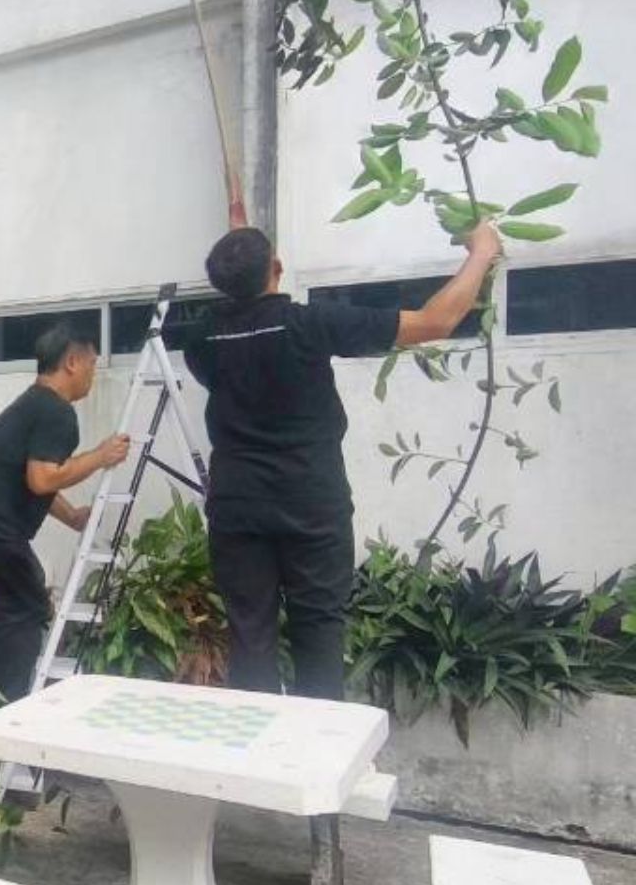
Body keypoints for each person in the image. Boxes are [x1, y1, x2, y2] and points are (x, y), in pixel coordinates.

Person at [179, 221, 501, 701]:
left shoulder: (202, 340)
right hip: (310, 502)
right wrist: (481, 253)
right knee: (318, 633)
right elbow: (435, 321)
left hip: (237, 504)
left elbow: (237, 342)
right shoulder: (310, 324)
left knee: (250, 635)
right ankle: (316, 745)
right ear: (277, 269)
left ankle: (255, 742)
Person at [0, 327, 131, 718]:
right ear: (71, 362)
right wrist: (100, 456)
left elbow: (32, 479)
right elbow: (42, 478)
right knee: (27, 605)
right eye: (92, 363)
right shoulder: (56, 412)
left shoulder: (35, 404)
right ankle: (6, 710)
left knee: (14, 592)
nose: (93, 372)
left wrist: (72, 516)